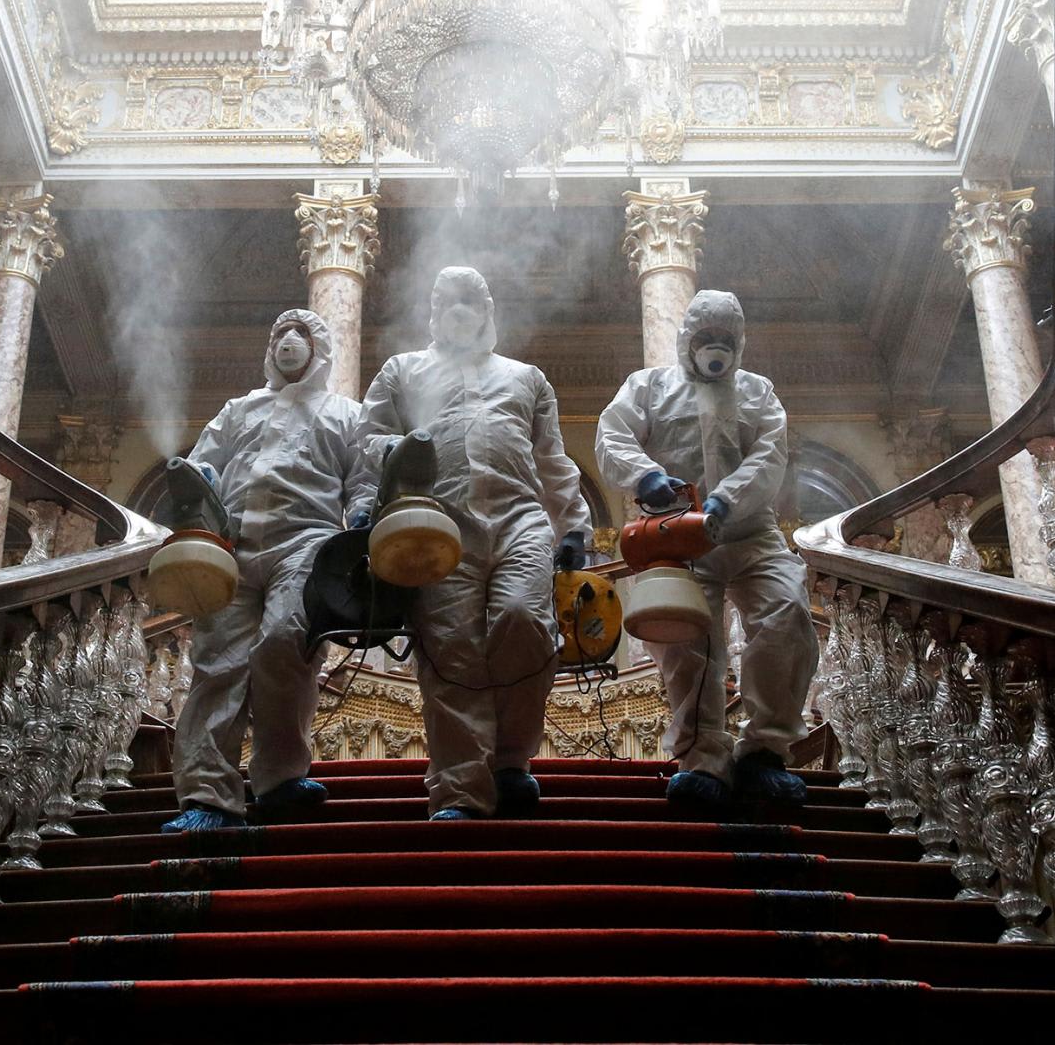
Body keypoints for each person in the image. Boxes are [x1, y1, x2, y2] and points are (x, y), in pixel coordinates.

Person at [361, 267, 592, 819]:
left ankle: (510, 762)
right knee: (450, 648)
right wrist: (396, 455)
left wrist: (574, 524)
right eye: (450, 299)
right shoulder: (402, 371)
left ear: (487, 308)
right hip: (438, 524)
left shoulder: (525, 378)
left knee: (523, 621)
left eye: (470, 299)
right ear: (434, 309)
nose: (460, 309)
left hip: (520, 519)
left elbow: (552, 458)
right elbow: (366, 440)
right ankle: (460, 790)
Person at [595, 289, 815, 809]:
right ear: (686, 339)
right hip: (677, 535)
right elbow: (612, 436)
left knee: (786, 614)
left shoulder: (758, 392)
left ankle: (765, 752)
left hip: (750, 530)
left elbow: (769, 457)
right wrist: (644, 475)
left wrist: (727, 499)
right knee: (687, 647)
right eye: (705, 336)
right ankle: (702, 760)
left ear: (739, 342)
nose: (715, 346)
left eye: (724, 338)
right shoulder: (648, 387)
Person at [163, 308, 374, 833]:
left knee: (287, 644)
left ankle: (280, 778)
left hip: (307, 542)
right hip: (231, 544)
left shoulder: (346, 414)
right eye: (281, 333)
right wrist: (193, 482)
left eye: (300, 334)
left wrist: (363, 519)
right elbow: (206, 464)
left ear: (319, 348)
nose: (289, 341)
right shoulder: (239, 410)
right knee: (218, 663)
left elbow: (363, 478)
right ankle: (207, 798)